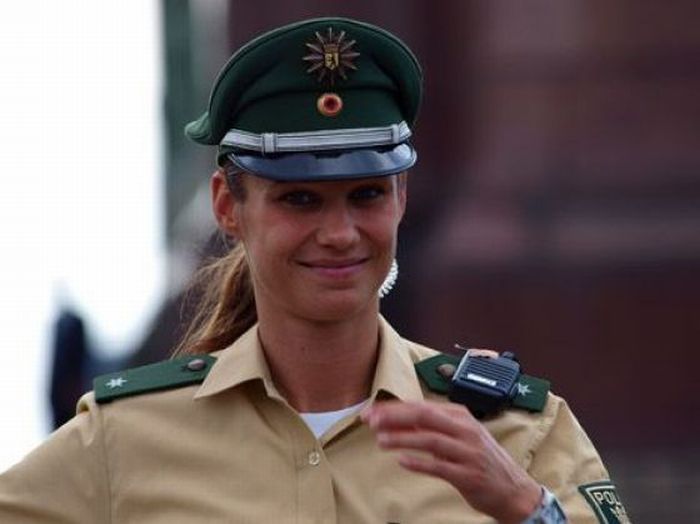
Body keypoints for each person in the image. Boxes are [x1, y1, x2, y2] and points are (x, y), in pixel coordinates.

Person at [0, 17, 629, 523]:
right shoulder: (125, 441)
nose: (339, 233)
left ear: (401, 198)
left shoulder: (518, 434)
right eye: (300, 199)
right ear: (227, 206)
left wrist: (525, 509)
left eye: (367, 195)